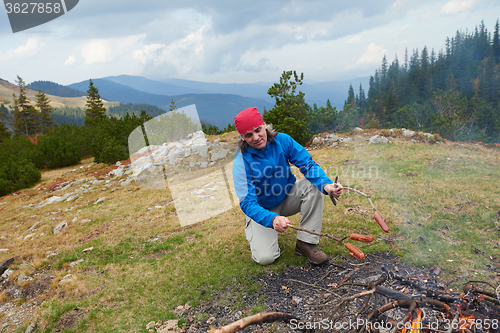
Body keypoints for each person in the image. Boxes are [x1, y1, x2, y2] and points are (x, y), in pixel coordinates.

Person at [232, 107, 343, 265]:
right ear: (242, 137)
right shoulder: (241, 162)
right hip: (264, 209)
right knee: (266, 258)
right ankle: (261, 233)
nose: (256, 137)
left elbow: (308, 164)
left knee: (313, 186)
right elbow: (247, 202)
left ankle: (306, 242)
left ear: (264, 125)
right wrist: (272, 219)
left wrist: (326, 185)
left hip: (287, 196)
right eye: (249, 135)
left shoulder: (282, 141)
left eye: (258, 130)